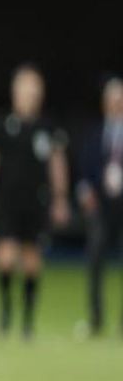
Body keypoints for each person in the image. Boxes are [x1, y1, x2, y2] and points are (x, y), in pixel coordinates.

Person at [0, 64, 70, 338]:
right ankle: (6, 309)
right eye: (25, 87)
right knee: (3, 258)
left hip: (36, 201)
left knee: (31, 262)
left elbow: (57, 164)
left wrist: (60, 198)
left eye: (34, 88)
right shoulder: (0, 124)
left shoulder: (48, 127)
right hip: (7, 201)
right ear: (15, 91)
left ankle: (27, 320)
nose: (29, 93)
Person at [77, 76, 123, 337]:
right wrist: (86, 193)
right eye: (112, 99)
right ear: (105, 103)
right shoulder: (94, 133)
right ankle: (96, 319)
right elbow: (84, 169)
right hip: (101, 207)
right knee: (95, 258)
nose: (117, 103)